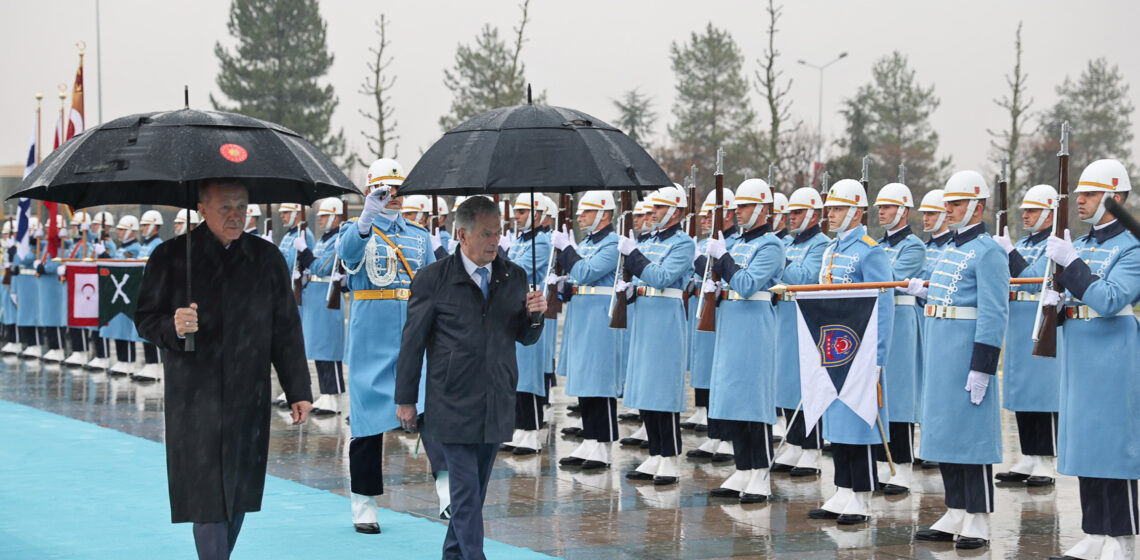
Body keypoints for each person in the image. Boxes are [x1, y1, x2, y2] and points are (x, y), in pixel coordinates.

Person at [134, 179, 312, 560]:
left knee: (238, 491)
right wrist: (173, 326)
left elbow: (286, 328)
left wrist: (298, 388)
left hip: (249, 393)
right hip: (195, 396)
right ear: (201, 208)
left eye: (241, 208)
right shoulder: (170, 257)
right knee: (207, 493)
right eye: (225, 208)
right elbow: (145, 318)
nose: (235, 216)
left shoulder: (266, 259)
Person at [395, 195, 546, 560]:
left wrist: (536, 316)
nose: (494, 241)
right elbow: (412, 341)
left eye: (498, 232)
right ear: (461, 235)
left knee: (473, 495)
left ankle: (453, 555)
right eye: (485, 234)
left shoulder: (515, 276)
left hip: (496, 397)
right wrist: (405, 399)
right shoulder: (433, 279)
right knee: (463, 495)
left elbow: (524, 337)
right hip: (451, 402)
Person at [903, 170, 1009, 550]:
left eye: (957, 203)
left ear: (977, 206)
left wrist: (982, 366)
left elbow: (994, 313)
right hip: (939, 348)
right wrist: (923, 292)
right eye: (947, 203)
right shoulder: (949, 249)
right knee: (945, 433)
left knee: (972, 437)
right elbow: (945, 295)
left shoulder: (990, 252)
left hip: (965, 351)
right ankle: (955, 509)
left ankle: (977, 517)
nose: (948, 210)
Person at [1042, 159, 1139, 560]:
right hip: (1081, 354)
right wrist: (1054, 306)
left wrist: (1072, 266)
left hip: (1113, 356)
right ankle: (1095, 531)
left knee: (1114, 446)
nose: (1079, 200)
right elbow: (1076, 301)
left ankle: (1123, 536)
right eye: (1079, 193)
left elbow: (1112, 299)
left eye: (1090, 194)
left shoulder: (1132, 247)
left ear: (1115, 200)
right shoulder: (1079, 246)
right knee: (1086, 444)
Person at [807, 178, 894, 525]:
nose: (830, 214)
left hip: (861, 351)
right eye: (829, 209)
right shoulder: (830, 250)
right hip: (834, 348)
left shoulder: (870, 250)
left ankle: (862, 495)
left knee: (860, 423)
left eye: (839, 208)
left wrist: (878, 358)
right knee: (838, 422)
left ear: (857, 212)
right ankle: (843, 488)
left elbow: (883, 305)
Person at [704, 178, 785, 503]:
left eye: (747, 206)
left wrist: (723, 261)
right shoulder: (736, 242)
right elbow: (727, 279)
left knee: (754, 400)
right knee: (733, 399)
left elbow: (748, 283)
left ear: (763, 209)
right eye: (739, 207)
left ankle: (760, 473)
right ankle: (742, 467)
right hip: (731, 323)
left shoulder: (771, 245)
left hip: (754, 326)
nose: (740, 213)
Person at [616, 185, 696, 485]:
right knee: (647, 388)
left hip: (666, 317)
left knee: (664, 388)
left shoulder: (683, 243)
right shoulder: (648, 241)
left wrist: (633, 255)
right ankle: (655, 452)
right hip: (645, 315)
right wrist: (630, 288)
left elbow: (662, 277)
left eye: (658, 210)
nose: (652, 216)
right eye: (651, 211)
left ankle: (670, 456)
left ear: (675, 211)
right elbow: (643, 277)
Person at [993, 184, 1062, 487]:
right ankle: (1029, 456)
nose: (1025, 215)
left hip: (1041, 322)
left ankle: (1046, 460)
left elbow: (1034, 282)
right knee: (1020, 390)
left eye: (1032, 210)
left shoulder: (1054, 245)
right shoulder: (1025, 242)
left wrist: (1009, 252)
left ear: (1049, 214)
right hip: (1018, 320)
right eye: (1025, 210)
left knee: (1042, 393)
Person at [552, 191, 622, 469]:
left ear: (604, 214)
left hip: (600, 316)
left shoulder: (613, 243)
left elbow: (587, 271)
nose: (579, 217)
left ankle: (602, 444)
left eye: (586, 212)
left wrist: (567, 251)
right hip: (583, 314)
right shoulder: (590, 242)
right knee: (585, 379)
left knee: (600, 381)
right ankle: (590, 439)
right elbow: (577, 279)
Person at [871, 182, 926, 495]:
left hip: (902, 320)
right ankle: (882, 463)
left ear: (903, 211)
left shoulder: (914, 246)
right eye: (880, 207)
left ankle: (903, 467)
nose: (882, 212)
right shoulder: (878, 245)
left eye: (888, 207)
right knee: (880, 392)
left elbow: (887, 280)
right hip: (880, 318)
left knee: (900, 395)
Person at [771, 187, 830, 475]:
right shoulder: (790, 243)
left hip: (805, 319)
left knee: (806, 384)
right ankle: (794, 442)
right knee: (785, 382)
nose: (790, 218)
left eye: (797, 213)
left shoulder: (821, 244)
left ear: (814, 215)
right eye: (790, 213)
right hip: (783, 315)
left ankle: (811, 447)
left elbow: (805, 279)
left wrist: (778, 257)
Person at [686, 188, 737, 463]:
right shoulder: (712, 244)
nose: (705, 220)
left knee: (726, 378)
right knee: (713, 375)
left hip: (733, 319)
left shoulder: (734, 243)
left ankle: (728, 439)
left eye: (710, 215)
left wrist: (699, 260)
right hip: (714, 311)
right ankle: (716, 434)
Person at [500, 193, 550, 455]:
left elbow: (517, 271)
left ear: (537, 213)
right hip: (514, 308)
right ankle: (519, 426)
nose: (516, 216)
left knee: (528, 375)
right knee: (515, 374)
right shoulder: (520, 240)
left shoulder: (541, 242)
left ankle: (531, 430)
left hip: (530, 309)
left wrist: (498, 256)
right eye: (516, 212)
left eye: (521, 212)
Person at [297, 197, 348, 416]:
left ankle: (335, 396)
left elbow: (322, 267)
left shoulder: (338, 239)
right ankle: (325, 393)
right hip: (317, 296)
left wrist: (306, 254)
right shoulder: (324, 240)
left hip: (329, 297)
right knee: (318, 347)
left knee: (330, 348)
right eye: (320, 216)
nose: (321, 220)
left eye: (325, 216)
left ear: (337, 217)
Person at [134, 210, 167, 381]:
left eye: (146, 225)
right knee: (144, 327)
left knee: (153, 327)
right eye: (142, 225)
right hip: (144, 290)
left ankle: (156, 364)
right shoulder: (145, 246)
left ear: (155, 225)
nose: (142, 228)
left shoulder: (157, 245)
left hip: (154, 291)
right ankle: (149, 363)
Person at [84, 211, 116, 369]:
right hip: (94, 285)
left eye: (97, 225)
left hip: (104, 286)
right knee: (93, 322)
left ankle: (103, 356)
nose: (94, 227)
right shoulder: (95, 242)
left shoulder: (108, 245)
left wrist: (104, 253)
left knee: (101, 323)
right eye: (93, 225)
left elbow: (113, 264)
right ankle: (98, 354)